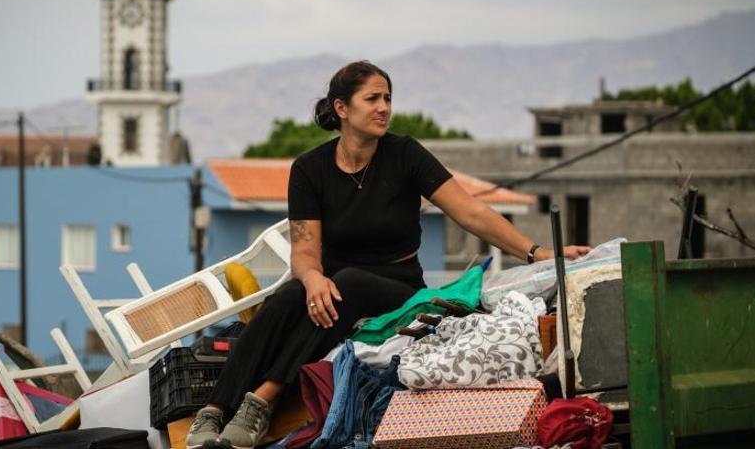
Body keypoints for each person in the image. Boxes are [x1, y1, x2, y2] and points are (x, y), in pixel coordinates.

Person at [186, 61, 590, 449]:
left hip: (399, 288)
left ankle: (263, 400)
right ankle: (213, 409)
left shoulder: (405, 154)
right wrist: (311, 278)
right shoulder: (310, 169)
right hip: (333, 281)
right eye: (372, 99)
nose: (384, 108)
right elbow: (305, 251)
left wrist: (538, 252)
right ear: (342, 108)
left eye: (388, 98)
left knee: (345, 285)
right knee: (287, 298)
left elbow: (470, 211)